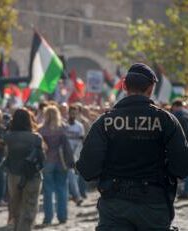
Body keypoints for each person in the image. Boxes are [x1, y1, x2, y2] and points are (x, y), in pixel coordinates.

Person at [77, 63, 188, 230]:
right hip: (154, 202)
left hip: (114, 203)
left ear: (123, 85)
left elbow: (87, 169)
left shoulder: (104, 122)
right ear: (151, 88)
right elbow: (182, 167)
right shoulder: (166, 121)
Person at [4, 108, 45, 231]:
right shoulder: (36, 137)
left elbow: (6, 155)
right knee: (30, 207)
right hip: (32, 176)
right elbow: (42, 158)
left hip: (13, 175)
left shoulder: (8, 137)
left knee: (15, 207)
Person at [38, 105, 71, 225]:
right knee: (62, 190)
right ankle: (62, 217)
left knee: (47, 192)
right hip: (61, 162)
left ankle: (48, 217)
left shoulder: (41, 129)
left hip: (47, 162)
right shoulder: (63, 128)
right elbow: (67, 147)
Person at [65, 105, 85, 205]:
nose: (73, 115)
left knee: (74, 176)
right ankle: (76, 196)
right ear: (68, 113)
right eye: (71, 113)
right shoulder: (64, 125)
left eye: (75, 113)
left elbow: (81, 141)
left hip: (76, 153)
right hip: (65, 154)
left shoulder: (79, 126)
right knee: (70, 174)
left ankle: (73, 195)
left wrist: (77, 154)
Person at [171, 99, 188, 199]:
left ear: (175, 106)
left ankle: (184, 192)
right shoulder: (187, 112)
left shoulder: (175, 115)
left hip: (181, 144)